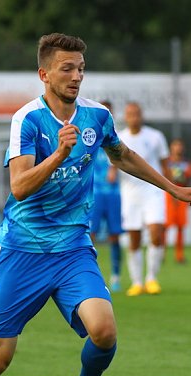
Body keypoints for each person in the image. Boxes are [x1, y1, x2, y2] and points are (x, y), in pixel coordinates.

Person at [0, 33, 191, 376]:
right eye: (66, 68)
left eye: (80, 69)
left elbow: (122, 155)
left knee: (104, 331)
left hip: (72, 248)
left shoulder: (97, 116)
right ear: (44, 73)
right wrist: (58, 155)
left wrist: (172, 188)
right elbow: (18, 187)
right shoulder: (28, 120)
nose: (75, 76)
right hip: (23, 251)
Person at [118, 102, 171, 296]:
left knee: (156, 232)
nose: (134, 117)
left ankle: (151, 278)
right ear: (126, 116)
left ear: (141, 115)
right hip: (130, 193)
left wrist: (172, 190)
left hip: (153, 191)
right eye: (130, 114)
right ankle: (137, 282)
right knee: (134, 238)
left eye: (137, 113)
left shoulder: (155, 136)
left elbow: (166, 165)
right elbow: (114, 164)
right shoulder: (119, 138)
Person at [88, 100, 122, 291]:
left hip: (113, 194)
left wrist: (115, 167)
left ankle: (116, 276)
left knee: (114, 236)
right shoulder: (88, 135)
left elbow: (123, 157)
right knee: (89, 236)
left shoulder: (116, 136)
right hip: (93, 194)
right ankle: (94, 277)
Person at [165, 138, 191, 264]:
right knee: (164, 227)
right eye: (175, 146)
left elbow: (185, 178)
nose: (178, 148)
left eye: (180, 146)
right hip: (168, 195)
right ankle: (162, 255)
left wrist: (174, 176)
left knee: (181, 227)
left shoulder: (187, 163)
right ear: (171, 148)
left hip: (182, 195)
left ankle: (179, 256)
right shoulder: (166, 163)